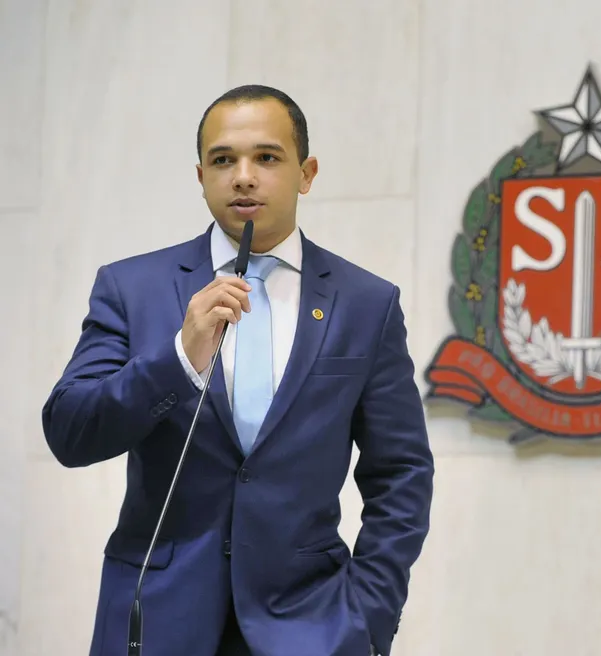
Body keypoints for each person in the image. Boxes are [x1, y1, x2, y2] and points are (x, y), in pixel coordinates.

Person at [41, 85, 434, 656]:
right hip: (158, 621)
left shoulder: (366, 303)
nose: (243, 177)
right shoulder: (133, 288)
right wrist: (179, 357)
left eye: (267, 157)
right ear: (200, 175)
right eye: (223, 160)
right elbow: (70, 433)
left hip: (313, 625)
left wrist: (369, 614)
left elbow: (401, 473)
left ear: (307, 172)